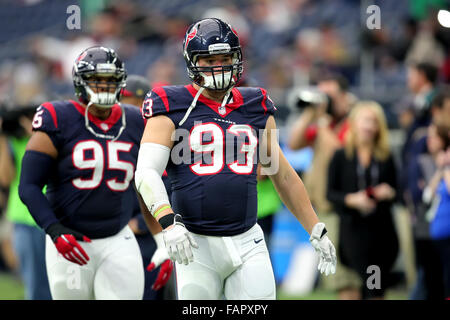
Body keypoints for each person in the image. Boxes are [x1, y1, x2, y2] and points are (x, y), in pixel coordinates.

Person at [134, 18, 337, 300]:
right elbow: (146, 172)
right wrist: (168, 224)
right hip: (194, 241)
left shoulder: (256, 105)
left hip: (247, 240)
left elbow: (282, 174)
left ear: (237, 58)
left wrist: (315, 227)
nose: (218, 66)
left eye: (225, 57)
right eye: (209, 59)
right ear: (193, 62)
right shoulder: (171, 103)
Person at [18, 46, 167, 300]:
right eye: (96, 81)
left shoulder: (134, 120)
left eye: (110, 81)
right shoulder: (57, 116)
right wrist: (54, 230)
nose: (104, 87)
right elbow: (29, 186)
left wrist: (163, 241)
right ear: (80, 82)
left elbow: (147, 185)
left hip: (119, 238)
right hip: (71, 240)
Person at [287, 75, 361, 299]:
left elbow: (340, 151)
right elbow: (294, 143)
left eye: (329, 95)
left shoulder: (355, 119)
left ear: (344, 96)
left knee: (347, 279)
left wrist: (321, 122)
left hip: (343, 208)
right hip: (326, 206)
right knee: (341, 281)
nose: (325, 101)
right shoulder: (323, 122)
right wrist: (310, 113)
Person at [327, 101, 399, 300]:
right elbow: (330, 193)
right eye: (365, 120)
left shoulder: (385, 156)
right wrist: (351, 199)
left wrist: (388, 192)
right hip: (352, 233)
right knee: (350, 291)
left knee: (374, 289)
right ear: (354, 123)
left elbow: (399, 191)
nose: (369, 126)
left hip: (380, 233)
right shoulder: (341, 156)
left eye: (373, 121)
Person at [121, 74, 175, 300]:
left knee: (152, 291)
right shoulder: (120, 135)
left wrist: (141, 222)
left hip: (152, 230)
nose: (122, 105)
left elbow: (169, 186)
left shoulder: (158, 136)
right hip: (122, 230)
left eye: (128, 99)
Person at [0, 110, 51, 300]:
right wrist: (3, 139)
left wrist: (37, 137)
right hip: (23, 219)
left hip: (50, 216)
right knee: (34, 284)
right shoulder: (14, 142)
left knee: (57, 282)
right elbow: (5, 178)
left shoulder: (52, 141)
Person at [422, 123, 450, 300]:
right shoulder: (441, 169)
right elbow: (427, 195)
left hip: (447, 234)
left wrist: (446, 168)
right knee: (438, 282)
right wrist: (442, 169)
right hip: (438, 234)